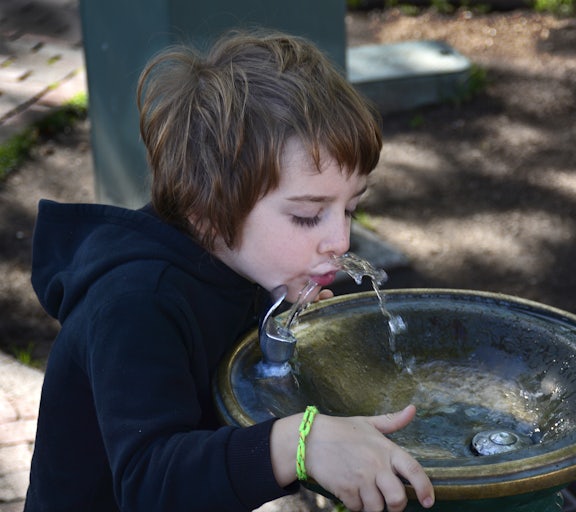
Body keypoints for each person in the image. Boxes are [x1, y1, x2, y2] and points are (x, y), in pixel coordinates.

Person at [25, 29, 435, 512]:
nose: (340, 241)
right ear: (208, 208)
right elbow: (148, 483)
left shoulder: (239, 262)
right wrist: (298, 445)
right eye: (307, 215)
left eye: (349, 208)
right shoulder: (136, 303)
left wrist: (279, 331)